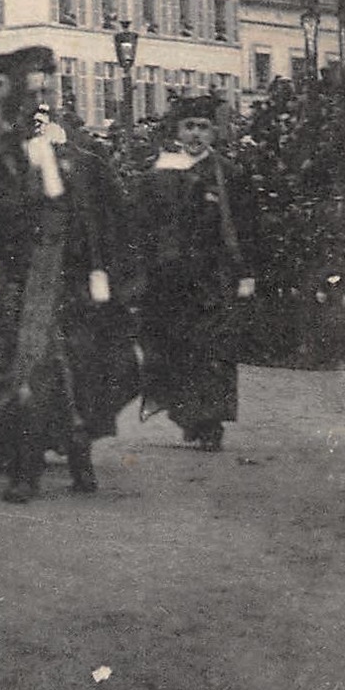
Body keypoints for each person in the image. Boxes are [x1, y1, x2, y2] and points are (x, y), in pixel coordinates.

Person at [0, 46, 138, 502]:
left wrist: (98, 267)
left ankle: (73, 456)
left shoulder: (67, 137)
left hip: (62, 267)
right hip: (17, 270)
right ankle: (25, 467)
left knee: (66, 367)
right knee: (26, 365)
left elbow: (85, 205)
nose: (40, 90)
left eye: (46, 80)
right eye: (33, 81)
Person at [130, 94, 258, 451]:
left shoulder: (229, 174)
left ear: (215, 131)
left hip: (214, 278)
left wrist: (247, 272)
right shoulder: (159, 173)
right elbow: (141, 227)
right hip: (167, 279)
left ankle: (211, 420)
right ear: (177, 131)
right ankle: (187, 415)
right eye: (189, 127)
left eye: (203, 127)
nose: (196, 135)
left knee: (212, 351)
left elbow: (247, 227)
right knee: (172, 349)